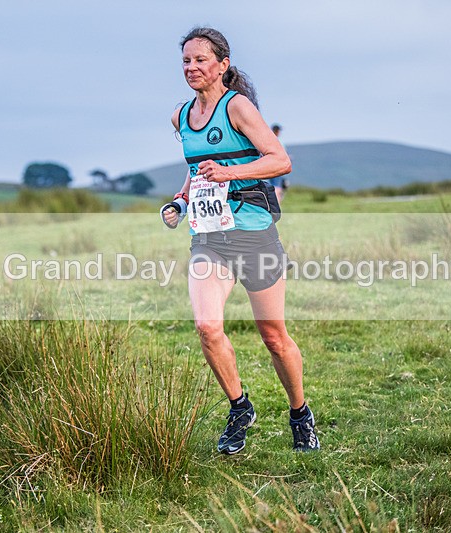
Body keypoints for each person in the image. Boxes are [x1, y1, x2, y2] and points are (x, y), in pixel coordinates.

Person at [160, 26, 319, 454]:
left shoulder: (237, 107)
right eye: (186, 61)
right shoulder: (180, 117)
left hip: (253, 234)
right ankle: (239, 407)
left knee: (273, 336)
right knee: (207, 327)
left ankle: (300, 413)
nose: (192, 68)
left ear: (222, 65)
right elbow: (196, 169)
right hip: (209, 238)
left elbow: (279, 160)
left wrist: (229, 172)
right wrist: (180, 201)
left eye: (201, 60)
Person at [267, 124, 289, 203]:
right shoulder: (278, 141)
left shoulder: (268, 140)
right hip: (277, 166)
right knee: (277, 186)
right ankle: (276, 203)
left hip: (269, 166)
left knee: (273, 185)